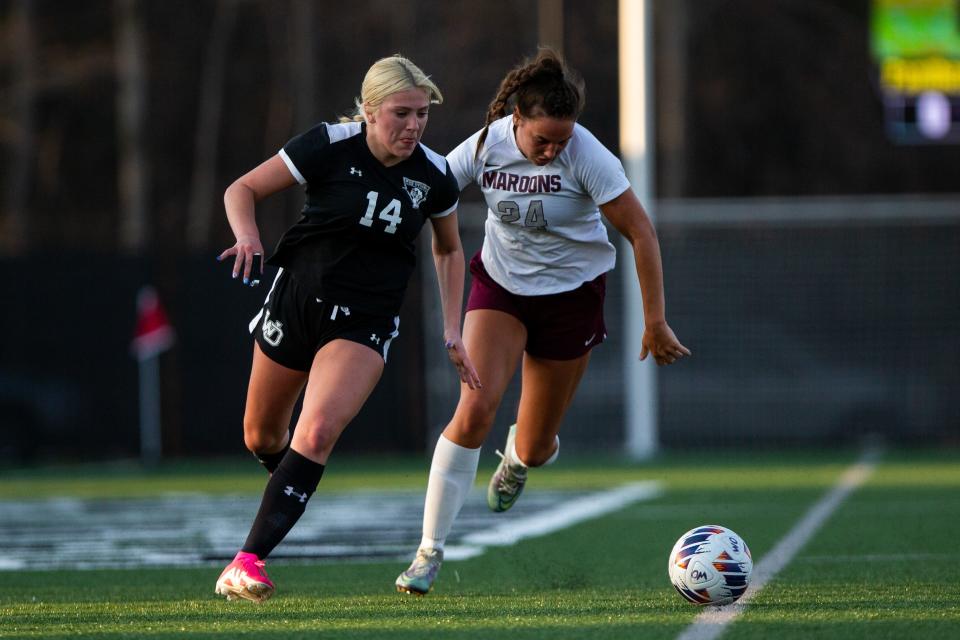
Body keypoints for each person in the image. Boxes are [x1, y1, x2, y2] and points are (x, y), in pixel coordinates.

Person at [395, 48, 690, 596]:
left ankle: (521, 458)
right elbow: (431, 186)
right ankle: (427, 553)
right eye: (543, 140)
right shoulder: (487, 144)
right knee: (475, 407)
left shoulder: (589, 156)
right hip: (500, 290)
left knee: (533, 445)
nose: (553, 150)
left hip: (571, 300)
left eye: (563, 140)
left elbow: (641, 234)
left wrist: (655, 320)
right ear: (517, 120)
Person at [213, 54, 480, 603]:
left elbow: (449, 249)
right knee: (263, 437)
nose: (413, 126)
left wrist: (452, 330)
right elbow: (241, 190)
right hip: (296, 302)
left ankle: (245, 561)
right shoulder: (329, 144)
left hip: (366, 320)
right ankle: (291, 486)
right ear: (369, 111)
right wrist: (248, 236)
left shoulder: (433, 174)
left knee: (315, 434)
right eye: (401, 114)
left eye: (422, 115)